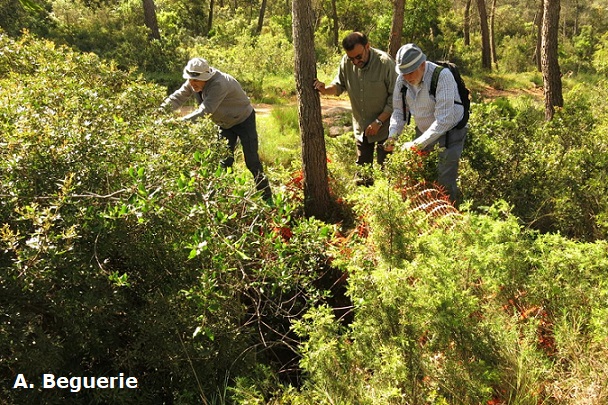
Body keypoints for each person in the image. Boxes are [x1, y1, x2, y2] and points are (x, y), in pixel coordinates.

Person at [161, 57, 272, 201]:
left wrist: (178, 123)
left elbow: (205, 111)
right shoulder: (192, 82)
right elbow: (177, 98)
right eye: (190, 79)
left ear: (205, 77)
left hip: (243, 120)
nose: (192, 83)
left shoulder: (219, 84)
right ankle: (224, 199)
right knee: (224, 161)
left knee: (252, 161)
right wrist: (160, 112)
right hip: (224, 124)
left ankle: (267, 197)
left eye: (196, 80)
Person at [385, 43, 467, 204]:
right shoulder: (402, 80)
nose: (407, 77)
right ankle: (425, 212)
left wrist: (416, 144)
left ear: (422, 65)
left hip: (449, 134)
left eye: (410, 72)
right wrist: (392, 136)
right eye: (403, 73)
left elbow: (444, 121)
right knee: (421, 176)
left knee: (444, 180)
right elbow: (399, 112)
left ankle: (448, 216)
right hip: (423, 132)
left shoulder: (442, 76)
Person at [313, 32, 397, 186]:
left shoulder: (385, 63)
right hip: (362, 128)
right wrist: (325, 89)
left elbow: (395, 98)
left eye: (358, 57)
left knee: (387, 175)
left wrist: (379, 121)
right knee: (363, 177)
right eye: (351, 58)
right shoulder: (347, 62)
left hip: (386, 128)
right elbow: (338, 86)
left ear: (367, 47)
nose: (355, 62)